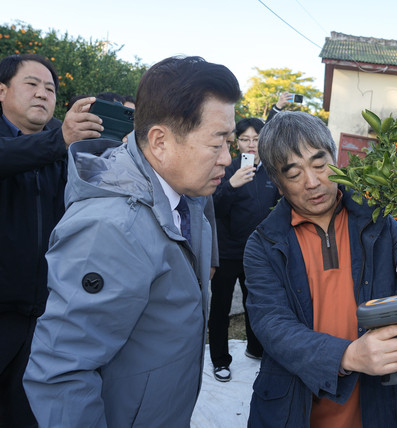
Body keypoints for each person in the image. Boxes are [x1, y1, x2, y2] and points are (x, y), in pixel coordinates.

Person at [23, 56, 241, 427]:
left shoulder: (188, 194)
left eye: (230, 142)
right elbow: (62, 373)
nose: (228, 158)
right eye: (218, 143)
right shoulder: (112, 228)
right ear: (159, 142)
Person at [243, 111, 397, 427]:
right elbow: (272, 323)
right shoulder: (264, 244)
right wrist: (347, 356)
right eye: (294, 173)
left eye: (319, 164)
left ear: (336, 158)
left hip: (381, 404)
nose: (313, 182)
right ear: (277, 181)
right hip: (294, 408)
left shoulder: (380, 224)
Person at [0, 53, 103, 428]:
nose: (44, 94)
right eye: (32, 84)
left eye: (50, 89)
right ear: (1, 91)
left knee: (30, 414)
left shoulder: (65, 146)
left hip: (47, 317)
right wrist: (59, 141)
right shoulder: (54, 143)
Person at [209, 117, 280, 382]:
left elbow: (277, 210)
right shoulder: (226, 168)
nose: (251, 145)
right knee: (220, 307)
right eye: (245, 139)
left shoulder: (272, 171)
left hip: (258, 254)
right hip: (227, 252)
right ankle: (219, 359)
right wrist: (231, 185)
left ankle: (255, 348)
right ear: (237, 142)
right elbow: (214, 208)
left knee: (257, 305)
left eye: (257, 139)